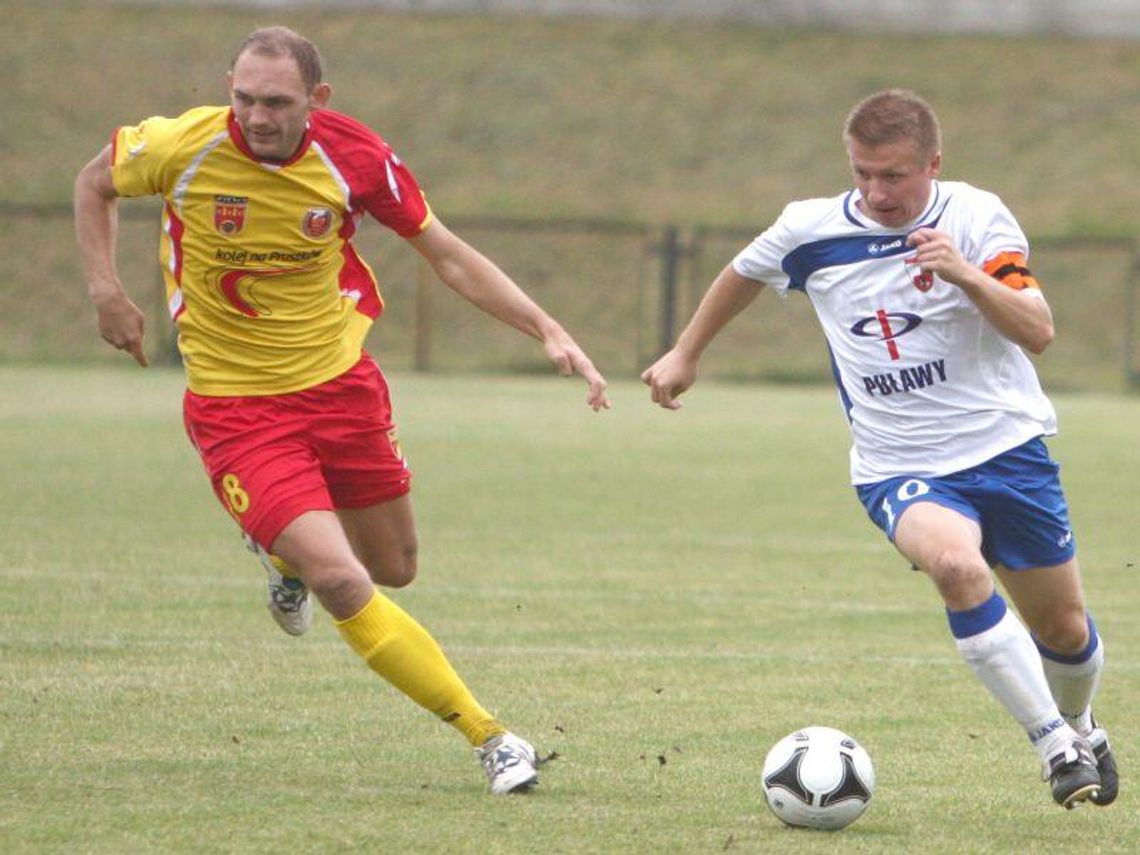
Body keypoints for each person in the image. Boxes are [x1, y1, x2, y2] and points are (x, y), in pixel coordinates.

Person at [75, 25, 610, 796]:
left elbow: (447, 252)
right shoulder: (182, 145)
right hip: (236, 410)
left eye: (277, 102)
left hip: (340, 386)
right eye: (245, 98)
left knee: (394, 568)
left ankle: (284, 555)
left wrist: (548, 328)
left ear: (316, 100)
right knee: (344, 578)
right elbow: (92, 183)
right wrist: (105, 288)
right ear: (229, 86)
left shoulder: (353, 157)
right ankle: (490, 735)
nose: (257, 117)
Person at [642, 89, 1116, 810]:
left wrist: (964, 272)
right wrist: (686, 352)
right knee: (957, 568)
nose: (876, 191)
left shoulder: (975, 217)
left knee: (1064, 628)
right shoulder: (811, 228)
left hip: (1007, 449)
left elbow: (1038, 328)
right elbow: (741, 273)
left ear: (933, 163)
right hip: (900, 464)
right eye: (863, 173)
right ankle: (1054, 743)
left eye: (893, 175)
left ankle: (1083, 723)